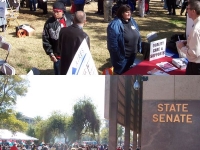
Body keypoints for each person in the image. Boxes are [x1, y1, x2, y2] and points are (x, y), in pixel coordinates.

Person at [107, 4, 142, 75]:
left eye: (130, 11)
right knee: (120, 75)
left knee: (129, 73)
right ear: (121, 13)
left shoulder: (132, 21)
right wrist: (118, 56)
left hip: (132, 54)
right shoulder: (115, 24)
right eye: (126, 12)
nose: (129, 13)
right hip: (122, 57)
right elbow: (112, 43)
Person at [42, 1, 73, 75]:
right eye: (54, 11)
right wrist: (51, 54)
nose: (55, 14)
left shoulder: (70, 19)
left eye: (57, 12)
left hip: (70, 54)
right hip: (58, 56)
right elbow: (45, 39)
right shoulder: (49, 23)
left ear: (63, 11)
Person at [59, 11, 90, 75]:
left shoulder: (63, 31)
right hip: (76, 69)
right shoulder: (84, 36)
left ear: (73, 19)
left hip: (64, 65)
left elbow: (59, 47)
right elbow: (86, 56)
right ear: (85, 21)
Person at [176, 0, 200, 74]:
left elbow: (194, 53)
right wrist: (189, 42)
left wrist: (182, 47)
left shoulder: (196, 29)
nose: (186, 10)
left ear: (193, 11)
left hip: (195, 66)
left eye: (188, 8)